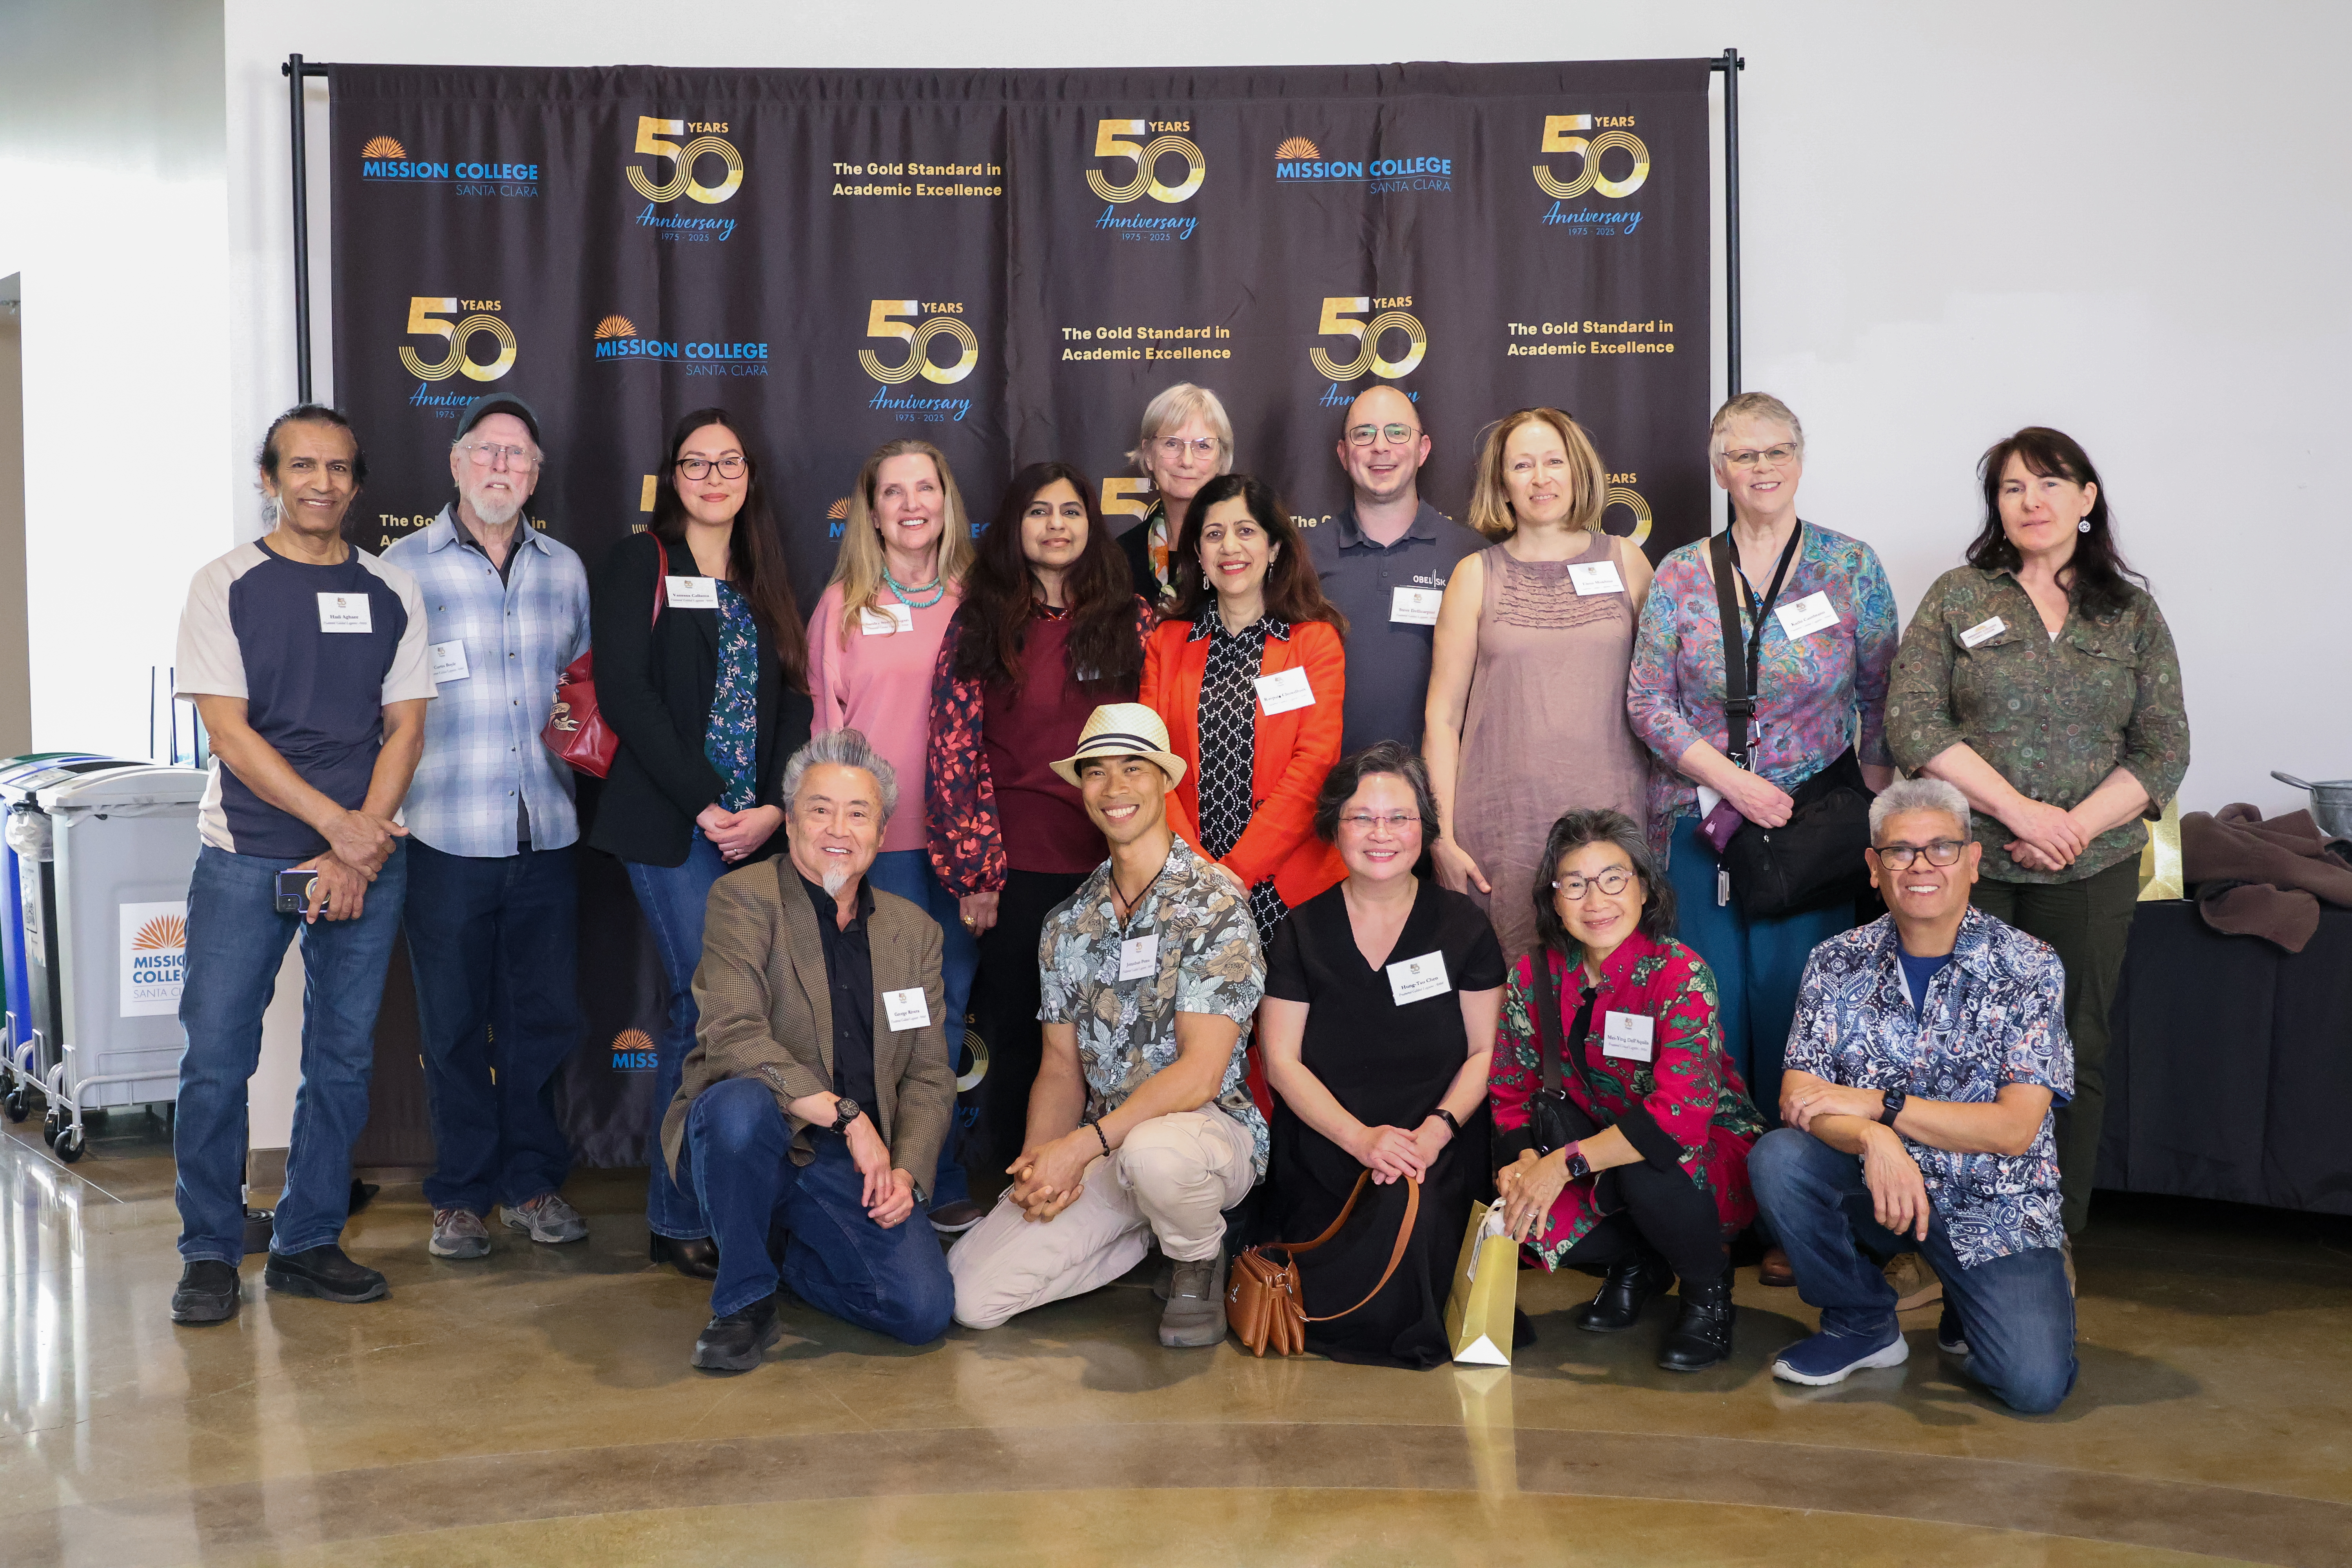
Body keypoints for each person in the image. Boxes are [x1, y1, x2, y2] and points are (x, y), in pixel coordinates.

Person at [167, 405, 434, 1325]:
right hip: (248, 858)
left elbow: (407, 724)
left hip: (366, 857)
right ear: (269, 477)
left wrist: (361, 840)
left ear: (358, 484)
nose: (322, 482)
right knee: (216, 1061)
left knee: (342, 1059)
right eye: (303, 466)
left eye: (339, 468)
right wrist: (341, 828)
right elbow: (230, 734)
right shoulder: (225, 583)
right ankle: (207, 1250)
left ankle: (308, 1240)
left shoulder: (392, 587)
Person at [1626, 392, 1898, 1288]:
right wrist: (1731, 779)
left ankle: (1793, 1211)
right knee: (1706, 1021)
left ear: (1800, 458)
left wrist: (1867, 822)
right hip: (1703, 825)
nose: (1762, 467)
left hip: (1808, 841)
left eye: (1776, 449)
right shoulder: (1678, 573)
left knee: (1798, 1026)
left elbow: (1880, 704)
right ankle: (1712, 1206)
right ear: (1720, 469)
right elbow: (1647, 701)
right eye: (1743, 455)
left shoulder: (1849, 567)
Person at [1887, 427, 2187, 1236]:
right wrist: (2021, 814)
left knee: (2070, 1055)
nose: (2033, 501)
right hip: (1966, 866)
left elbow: (2165, 746)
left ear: (2088, 500)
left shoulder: (2130, 612)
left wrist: (2074, 828)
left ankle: (2047, 1239)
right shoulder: (1959, 596)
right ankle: (1936, 1242)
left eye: (2052, 483)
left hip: (2093, 873)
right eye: (2014, 487)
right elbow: (1912, 722)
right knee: (1948, 1051)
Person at [1751, 778, 2079, 1413]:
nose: (1921, 866)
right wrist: (1873, 1138)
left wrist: (1882, 1109)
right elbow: (1799, 1096)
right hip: (1875, 1184)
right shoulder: (1834, 961)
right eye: (1900, 852)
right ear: (1874, 869)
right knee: (1780, 1158)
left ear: (1973, 862)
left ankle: (1973, 1298)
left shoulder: (2030, 966)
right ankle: (1861, 1323)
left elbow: (2014, 1129)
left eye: (1941, 849)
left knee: (2034, 1388)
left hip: (1994, 1205)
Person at [948, 704, 1267, 1347]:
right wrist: (1042, 1167)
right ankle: (1143, 1227)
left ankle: (1196, 1254)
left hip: (1202, 1134)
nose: (1114, 788)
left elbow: (1201, 1073)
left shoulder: (1213, 900)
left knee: (1156, 1157)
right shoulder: (1069, 921)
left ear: (1163, 781)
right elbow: (1062, 1069)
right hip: (1107, 1149)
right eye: (1096, 772)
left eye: (1132, 768)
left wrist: (1081, 1148)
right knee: (969, 1296)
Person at [590, 407, 813, 1279]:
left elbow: (793, 690)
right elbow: (626, 693)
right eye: (695, 463)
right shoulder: (638, 561)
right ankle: (675, 1209)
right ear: (671, 475)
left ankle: (736, 1197)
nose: (714, 478)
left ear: (749, 475)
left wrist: (770, 806)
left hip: (757, 825)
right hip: (673, 822)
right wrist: (710, 802)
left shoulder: (764, 569)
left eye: (729, 463)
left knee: (750, 1008)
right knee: (702, 1005)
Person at [661, 730, 956, 1369]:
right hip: (761, 1137)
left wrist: (905, 1170)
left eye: (858, 813)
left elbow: (930, 1076)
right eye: (820, 809)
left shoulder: (915, 933)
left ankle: (782, 1258)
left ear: (881, 831)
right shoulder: (743, 899)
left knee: (922, 1312)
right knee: (739, 1108)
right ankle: (743, 1300)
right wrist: (848, 1118)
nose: (838, 829)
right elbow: (734, 1035)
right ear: (790, 819)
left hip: (844, 1163)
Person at [383, 392, 592, 1261]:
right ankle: (461, 1194)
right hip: (444, 834)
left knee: (541, 1019)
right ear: (457, 462)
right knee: (456, 1026)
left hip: (545, 831)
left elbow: (582, 690)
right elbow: (379, 707)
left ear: (536, 474)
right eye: (488, 451)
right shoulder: (401, 567)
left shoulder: (566, 570)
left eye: (519, 455)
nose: (503, 466)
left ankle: (532, 1182)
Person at [927, 463, 1152, 1183]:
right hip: (1015, 869)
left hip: (1114, 864)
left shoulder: (1133, 620)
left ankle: (1112, 1189)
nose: (1056, 525)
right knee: (1020, 1037)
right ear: (1014, 528)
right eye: (1038, 512)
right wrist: (977, 873)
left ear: (1093, 526)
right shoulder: (982, 621)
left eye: (1071, 511)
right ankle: (1013, 1184)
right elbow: (955, 747)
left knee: (1120, 1034)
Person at [1489, 809, 1764, 1372]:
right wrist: (1523, 1163)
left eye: (1614, 879)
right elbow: (1511, 1091)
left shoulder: (1680, 974)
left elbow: (1677, 1120)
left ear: (1644, 887)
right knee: (1509, 1191)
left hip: (1703, 1155)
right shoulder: (1533, 975)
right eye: (1575, 884)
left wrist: (1561, 1167)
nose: (1596, 902)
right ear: (1554, 898)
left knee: (1648, 1167)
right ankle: (1640, 1261)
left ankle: (1707, 1295)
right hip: (1594, 1152)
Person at [1259, 743, 1504, 1368]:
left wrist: (1434, 1132)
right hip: (1328, 1143)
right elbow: (1281, 1061)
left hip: (1434, 1146)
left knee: (1409, 1215)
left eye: (1399, 818)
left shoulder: (1465, 928)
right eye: (1362, 817)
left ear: (1425, 828)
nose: (1381, 834)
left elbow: (1485, 1053)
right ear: (1333, 826)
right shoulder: (1299, 930)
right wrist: (1361, 1139)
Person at [806, 438, 983, 1230]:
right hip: (883, 856)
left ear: (947, 502)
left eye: (928, 487)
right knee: (893, 1023)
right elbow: (825, 736)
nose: (913, 504)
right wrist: (837, 852)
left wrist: (983, 858)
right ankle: (888, 1176)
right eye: (895, 492)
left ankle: (936, 1177)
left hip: (963, 853)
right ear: (871, 511)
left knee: (947, 1019)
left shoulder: (980, 600)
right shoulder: (843, 603)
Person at [1425, 408, 1655, 962]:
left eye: (1553, 462)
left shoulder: (1627, 561)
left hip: (1615, 817)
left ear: (1576, 471)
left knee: (1614, 988)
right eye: (1522, 465)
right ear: (1502, 483)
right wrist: (1442, 837)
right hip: (1503, 828)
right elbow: (1442, 718)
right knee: (1513, 996)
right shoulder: (1474, 575)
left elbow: (1665, 700)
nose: (1540, 478)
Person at [1141, 471, 1348, 947]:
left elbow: (1314, 766)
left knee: (1287, 1021)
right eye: (1214, 534)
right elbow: (1150, 765)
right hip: (1188, 887)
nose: (1230, 547)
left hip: (1290, 888)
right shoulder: (1167, 644)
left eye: (1246, 531)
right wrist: (1201, 874)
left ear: (1275, 548)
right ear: (1197, 553)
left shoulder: (1313, 643)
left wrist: (1235, 872)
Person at [1304, 386, 1486, 754]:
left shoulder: (1471, 557)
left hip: (1434, 792)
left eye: (1397, 432)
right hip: (1328, 793)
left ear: (1423, 450)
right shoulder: (1302, 556)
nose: (1381, 447)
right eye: (1364, 433)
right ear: (1343, 454)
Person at [1116, 382, 1234, 611]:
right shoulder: (1121, 555)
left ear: (1221, 459)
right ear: (1149, 454)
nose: (1187, 461)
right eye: (1172, 444)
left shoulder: (1239, 550)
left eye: (1203, 446)